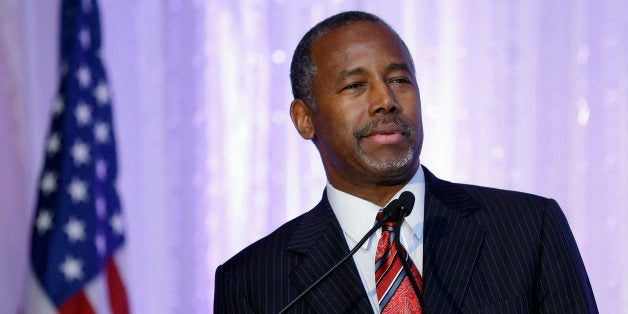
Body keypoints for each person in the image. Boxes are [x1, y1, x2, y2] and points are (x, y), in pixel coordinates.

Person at [214, 11, 597, 313]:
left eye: (400, 80)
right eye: (355, 85)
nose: (386, 100)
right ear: (305, 118)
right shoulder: (252, 282)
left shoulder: (528, 229)